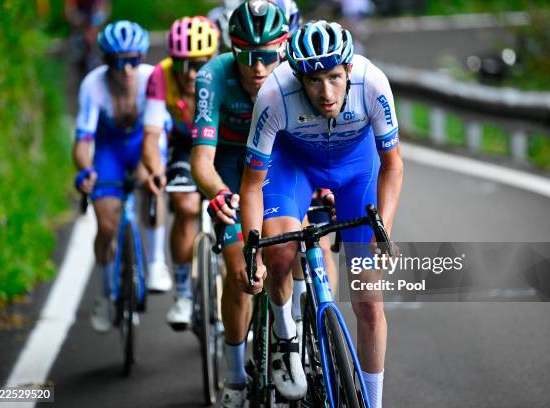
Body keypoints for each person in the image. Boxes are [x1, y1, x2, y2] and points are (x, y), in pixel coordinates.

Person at [239, 20, 404, 408]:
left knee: (368, 301)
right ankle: (285, 335)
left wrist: (384, 230)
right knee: (280, 252)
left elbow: (393, 165)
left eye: (333, 77)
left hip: (355, 169)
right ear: (298, 78)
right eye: (313, 81)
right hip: (293, 166)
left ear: (349, 69)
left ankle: (373, 402)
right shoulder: (275, 94)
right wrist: (253, 253)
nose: (326, 92)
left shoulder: (373, 83)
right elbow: (250, 185)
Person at [189, 1, 288, 406]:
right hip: (229, 166)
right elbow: (201, 161)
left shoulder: (291, 74)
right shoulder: (213, 76)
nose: (258, 68)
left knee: (295, 248)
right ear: (232, 50)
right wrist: (218, 192)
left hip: (276, 164)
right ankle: (233, 372)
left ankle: (295, 335)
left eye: (267, 56)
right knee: (241, 273)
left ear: (281, 49)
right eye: (247, 56)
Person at [73, 20, 169, 333]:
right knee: (107, 223)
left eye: (133, 60)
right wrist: (86, 171)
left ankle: (155, 263)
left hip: (144, 141)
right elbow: (84, 140)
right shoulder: (93, 84)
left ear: (141, 59)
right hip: (109, 148)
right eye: (118, 62)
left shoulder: (151, 77)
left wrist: (154, 170)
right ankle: (105, 291)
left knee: (151, 186)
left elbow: (158, 132)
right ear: (106, 61)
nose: (127, 70)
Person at [142, 16, 220, 330]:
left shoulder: (225, 71)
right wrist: (156, 171)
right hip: (184, 144)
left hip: (222, 139)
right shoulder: (160, 76)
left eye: (199, 64)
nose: (189, 74)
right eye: (182, 64)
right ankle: (184, 293)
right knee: (186, 205)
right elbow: (150, 135)